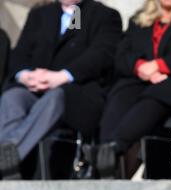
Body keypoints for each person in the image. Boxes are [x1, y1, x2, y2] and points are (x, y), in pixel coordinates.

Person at [83, 0, 171, 179]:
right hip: (140, 80)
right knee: (119, 95)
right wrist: (140, 66)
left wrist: (159, 65)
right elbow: (121, 54)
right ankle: (105, 153)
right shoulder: (139, 20)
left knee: (155, 96)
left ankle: (112, 150)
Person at [0, 0, 122, 180]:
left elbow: (101, 54)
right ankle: (7, 158)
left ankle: (10, 155)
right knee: (13, 97)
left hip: (76, 95)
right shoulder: (41, 15)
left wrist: (62, 76)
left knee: (56, 97)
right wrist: (25, 75)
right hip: (36, 89)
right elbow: (20, 52)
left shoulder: (103, 16)